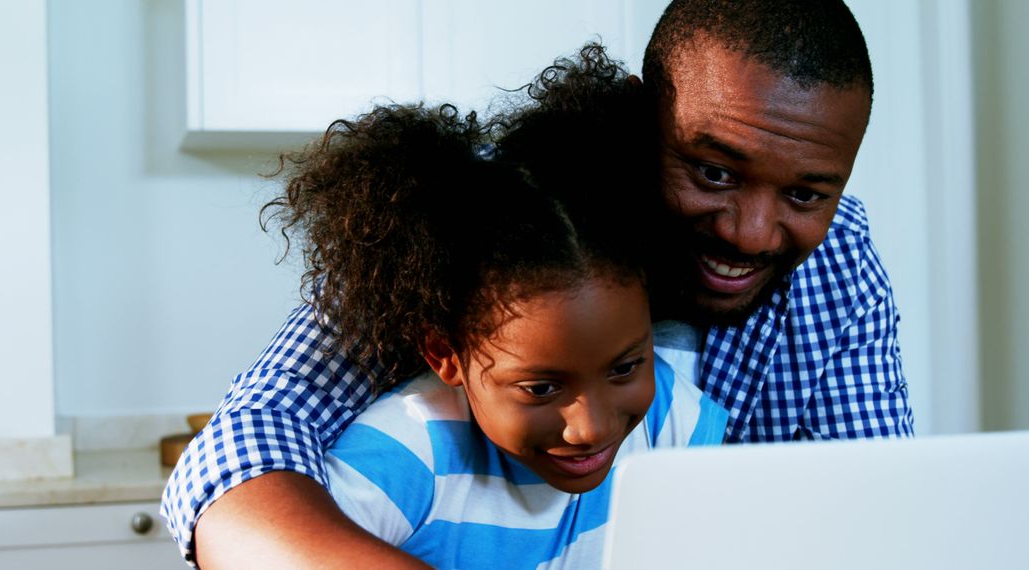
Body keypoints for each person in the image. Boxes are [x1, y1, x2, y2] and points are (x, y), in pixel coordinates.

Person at [161, 0, 914, 567]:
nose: (750, 233)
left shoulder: (839, 260)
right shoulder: (495, 224)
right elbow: (235, 464)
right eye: (713, 172)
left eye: (807, 194)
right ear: (635, 119)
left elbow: (876, 513)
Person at [260, 53, 728, 568]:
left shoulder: (669, 417)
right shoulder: (411, 453)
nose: (591, 427)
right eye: (541, 388)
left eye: (624, 367)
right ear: (446, 355)